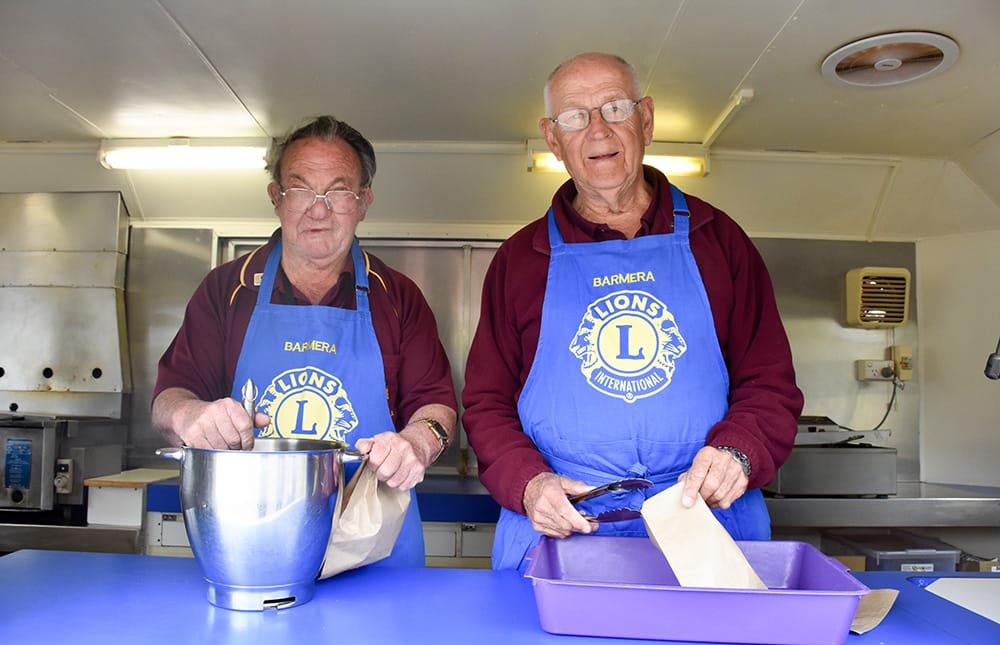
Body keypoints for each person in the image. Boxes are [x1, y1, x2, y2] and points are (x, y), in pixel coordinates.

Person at [462, 52, 804, 571]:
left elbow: (770, 382)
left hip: (705, 521)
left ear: (645, 118)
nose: (597, 129)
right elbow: (486, 402)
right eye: (575, 116)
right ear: (553, 139)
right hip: (563, 529)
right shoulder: (519, 260)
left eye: (614, 108)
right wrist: (528, 482)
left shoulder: (721, 240)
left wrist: (739, 451)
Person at [152, 115, 457, 567]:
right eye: (300, 190)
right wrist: (191, 415)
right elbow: (168, 400)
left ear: (364, 202)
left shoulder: (398, 297)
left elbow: (438, 408)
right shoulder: (224, 290)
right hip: (254, 541)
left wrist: (416, 442)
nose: (319, 210)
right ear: (276, 197)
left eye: (338, 191)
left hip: (374, 544)